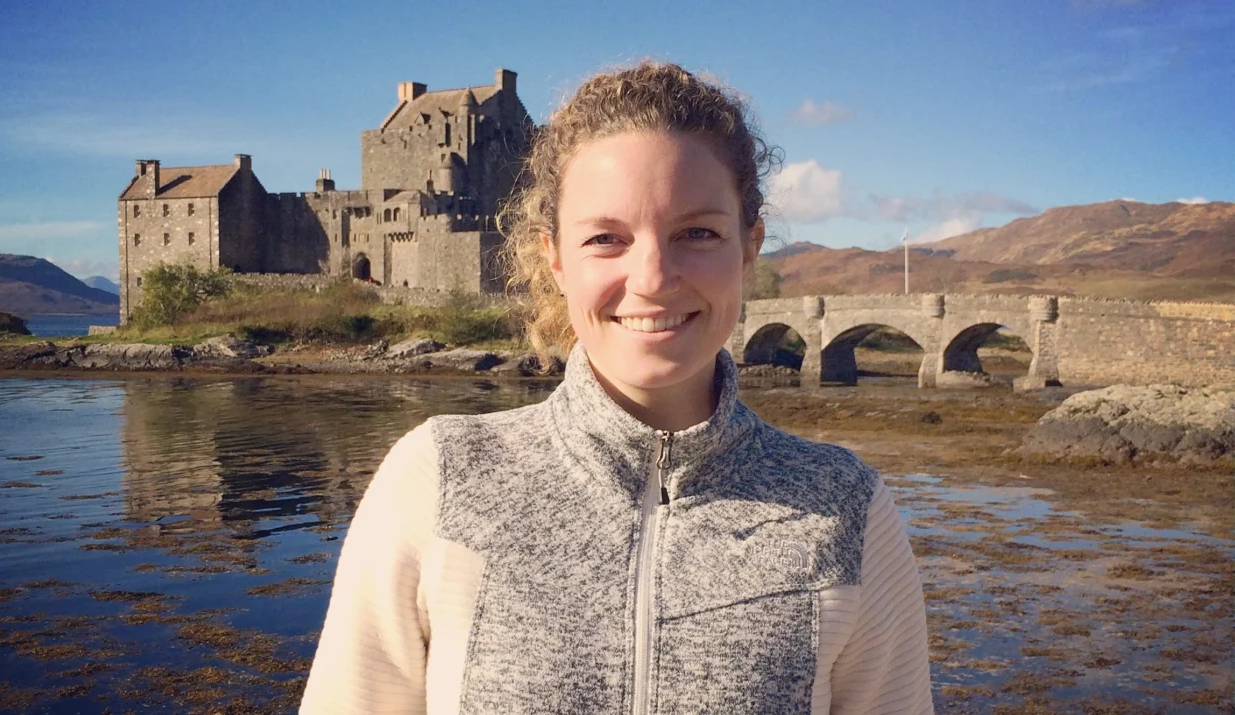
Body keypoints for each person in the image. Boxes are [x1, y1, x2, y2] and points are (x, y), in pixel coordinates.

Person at [300, 61, 933, 715]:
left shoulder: (848, 511)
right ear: (554, 255)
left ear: (750, 246)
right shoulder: (435, 480)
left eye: (697, 233)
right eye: (607, 237)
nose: (653, 276)